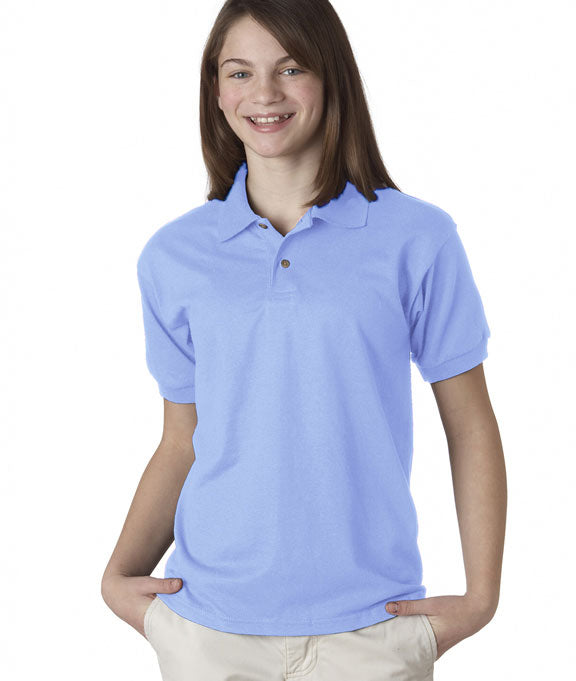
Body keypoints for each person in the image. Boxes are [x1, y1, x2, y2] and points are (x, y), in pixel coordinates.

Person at [101, 1, 506, 679]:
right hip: (210, 630)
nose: (264, 93)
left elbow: (470, 424)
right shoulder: (174, 256)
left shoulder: (418, 238)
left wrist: (482, 596)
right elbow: (182, 440)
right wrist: (118, 575)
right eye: (240, 72)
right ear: (215, 90)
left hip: (372, 628)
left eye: (291, 68)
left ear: (331, 77)